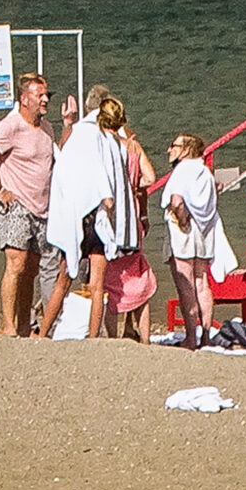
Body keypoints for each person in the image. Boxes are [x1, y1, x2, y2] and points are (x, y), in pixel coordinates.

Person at [0, 72, 76, 337]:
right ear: (23, 98)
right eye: (39, 95)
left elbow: (59, 159)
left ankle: (22, 324)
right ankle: (8, 325)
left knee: (31, 268)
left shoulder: (46, 129)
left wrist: (68, 125)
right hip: (16, 204)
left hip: (42, 208)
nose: (45, 100)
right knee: (16, 263)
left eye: (47, 95)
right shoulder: (11, 125)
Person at [43, 95, 141, 339]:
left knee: (64, 279)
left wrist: (68, 123)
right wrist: (109, 201)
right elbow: (106, 175)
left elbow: (66, 163)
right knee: (97, 284)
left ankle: (44, 332)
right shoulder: (109, 141)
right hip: (98, 218)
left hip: (79, 215)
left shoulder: (83, 134)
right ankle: (93, 336)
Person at [163, 133, 227, 350]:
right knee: (202, 282)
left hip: (184, 230)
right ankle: (206, 335)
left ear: (185, 150)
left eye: (174, 146)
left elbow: (177, 201)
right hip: (205, 230)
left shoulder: (182, 170)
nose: (169, 149)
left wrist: (181, 221)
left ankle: (191, 337)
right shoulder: (205, 172)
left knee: (186, 284)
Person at [103, 121, 158, 343]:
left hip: (111, 217)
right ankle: (144, 339)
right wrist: (133, 186)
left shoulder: (102, 146)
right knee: (138, 277)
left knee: (109, 283)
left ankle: (112, 337)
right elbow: (150, 178)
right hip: (132, 217)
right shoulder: (133, 147)